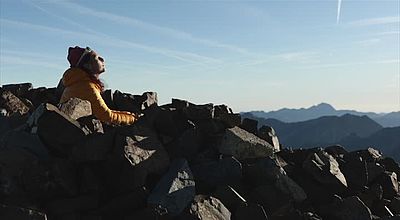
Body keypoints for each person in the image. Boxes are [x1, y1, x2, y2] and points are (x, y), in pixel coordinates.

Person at [59, 46, 137, 125]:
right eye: (97, 58)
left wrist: (132, 115)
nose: (102, 59)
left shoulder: (79, 83)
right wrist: (135, 119)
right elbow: (107, 116)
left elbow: (105, 111)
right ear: (87, 65)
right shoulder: (86, 87)